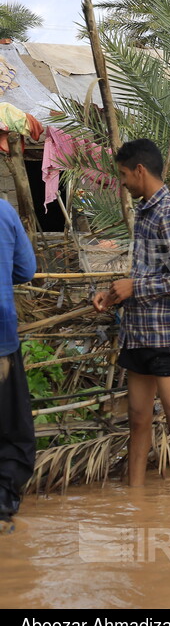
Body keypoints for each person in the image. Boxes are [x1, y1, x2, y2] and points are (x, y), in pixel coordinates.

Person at [92, 139, 170, 494]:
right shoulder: (145, 211)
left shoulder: (169, 213)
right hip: (139, 334)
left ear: (139, 170)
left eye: (123, 174)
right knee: (138, 419)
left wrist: (135, 287)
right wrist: (113, 295)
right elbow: (148, 272)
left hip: (166, 336)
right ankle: (135, 499)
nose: (122, 181)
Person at [0, 198, 36, 529]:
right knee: (11, 428)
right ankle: (3, 503)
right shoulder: (4, 211)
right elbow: (26, 270)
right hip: (1, 339)